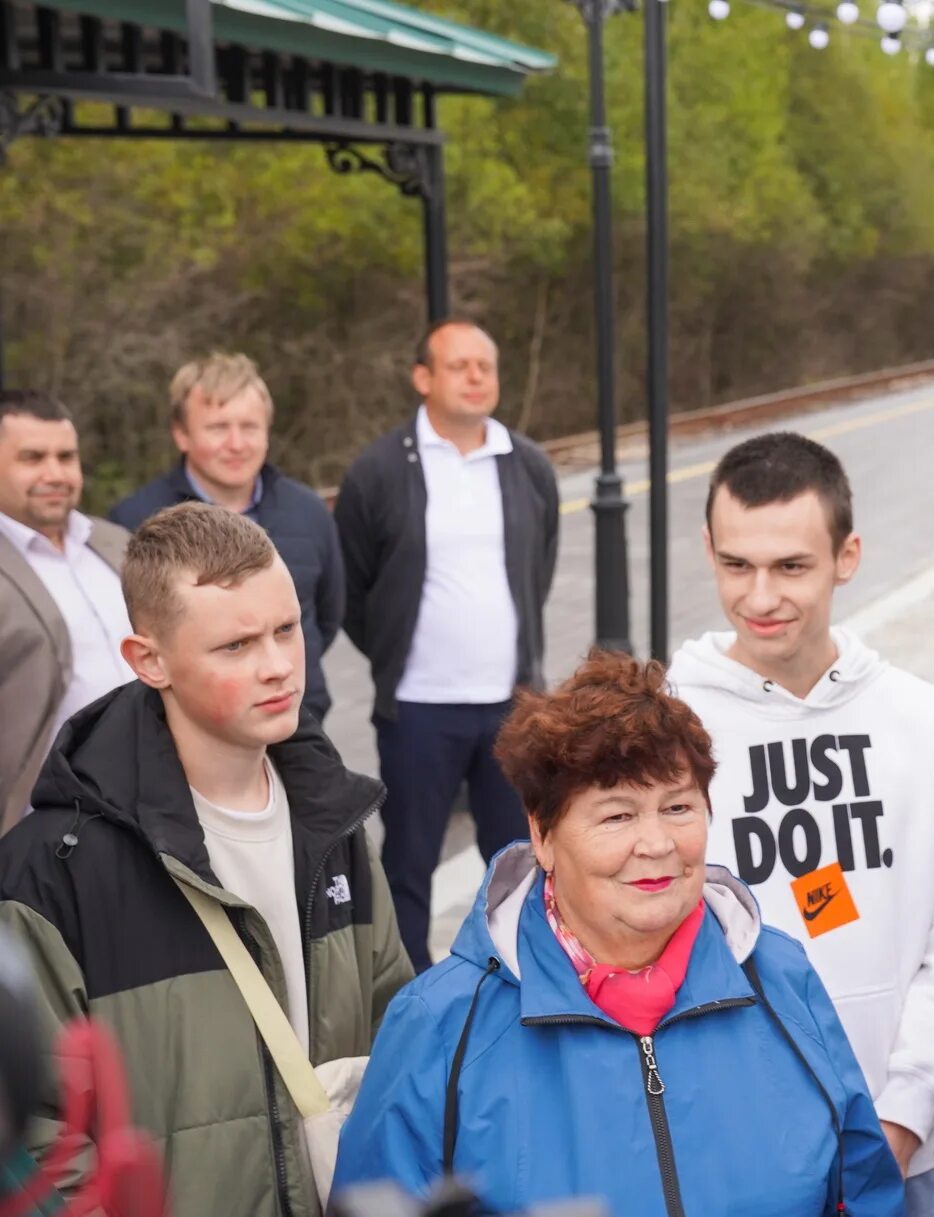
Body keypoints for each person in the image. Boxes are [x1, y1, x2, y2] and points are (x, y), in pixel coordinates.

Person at [334, 651, 905, 1214]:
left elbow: (863, 1192)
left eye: (678, 807)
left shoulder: (781, 977)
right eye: (617, 816)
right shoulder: (439, 1025)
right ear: (543, 835)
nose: (656, 845)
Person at [0, 502, 410, 1217]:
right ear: (147, 659)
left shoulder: (335, 822)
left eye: (286, 629)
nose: (279, 665)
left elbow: (399, 1042)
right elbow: (38, 1134)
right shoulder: (49, 872)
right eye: (236, 646)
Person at [669, 432, 934, 1217]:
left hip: (900, 1158)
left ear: (847, 556)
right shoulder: (665, 721)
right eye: (736, 565)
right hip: (723, 1156)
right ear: (708, 551)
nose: (760, 596)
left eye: (791, 566)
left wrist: (900, 1122)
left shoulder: (921, 722)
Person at [333, 319, 561, 971]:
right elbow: (354, 589)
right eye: (458, 365)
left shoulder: (526, 465)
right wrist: (394, 655)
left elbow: (537, 568)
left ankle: (517, 975)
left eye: (485, 366)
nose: (475, 377)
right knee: (408, 863)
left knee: (518, 858)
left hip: (510, 707)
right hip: (419, 709)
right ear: (423, 378)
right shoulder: (379, 470)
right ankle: (411, 994)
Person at [109, 353, 347, 722]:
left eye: (249, 427)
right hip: (186, 737)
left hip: (301, 723)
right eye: (218, 428)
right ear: (181, 435)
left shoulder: (309, 511)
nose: (236, 444)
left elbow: (327, 617)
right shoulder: (133, 522)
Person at [0, 389, 133, 830]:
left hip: (150, 807)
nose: (55, 473)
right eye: (33, 458)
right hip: (45, 827)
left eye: (66, 456)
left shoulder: (116, 543)